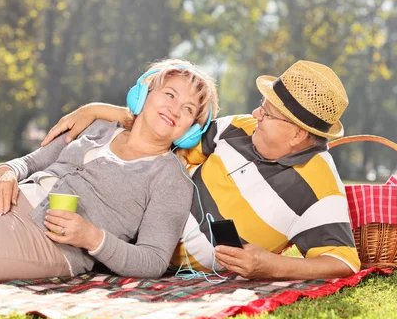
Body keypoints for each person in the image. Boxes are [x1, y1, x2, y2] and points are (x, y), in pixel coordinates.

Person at [0, 59, 219, 282]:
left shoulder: (170, 179)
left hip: (41, 243)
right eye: (170, 94)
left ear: (190, 130)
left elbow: (154, 260)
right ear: (143, 94)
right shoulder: (96, 127)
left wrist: (92, 238)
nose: (176, 108)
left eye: (189, 108)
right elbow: (30, 162)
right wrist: (6, 171)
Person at [42, 60, 361, 280]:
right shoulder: (239, 127)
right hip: (123, 223)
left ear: (297, 134)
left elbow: (343, 261)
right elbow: (170, 130)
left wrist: (271, 266)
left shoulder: (319, 187)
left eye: (267, 113)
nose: (255, 114)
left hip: (140, 257)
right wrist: (97, 110)